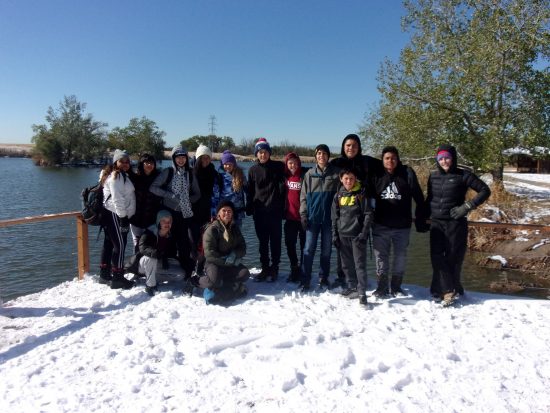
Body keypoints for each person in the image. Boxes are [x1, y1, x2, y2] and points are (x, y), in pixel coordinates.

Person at [426, 144, 491, 305]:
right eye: (440, 158)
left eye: (447, 157)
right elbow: (429, 199)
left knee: (452, 257)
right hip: (436, 223)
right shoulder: (433, 177)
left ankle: (447, 291)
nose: (444, 161)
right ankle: (449, 288)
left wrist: (467, 206)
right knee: (436, 257)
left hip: (455, 223)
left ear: (453, 158)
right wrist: (421, 216)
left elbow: (484, 190)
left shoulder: (463, 175)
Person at [371, 146, 428, 297]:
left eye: (393, 158)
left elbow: (418, 197)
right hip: (380, 224)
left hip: (402, 226)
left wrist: (421, 217)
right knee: (381, 258)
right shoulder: (376, 175)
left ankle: (396, 287)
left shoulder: (407, 173)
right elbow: (367, 197)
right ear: (382, 160)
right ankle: (382, 287)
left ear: (398, 159)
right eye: (387, 158)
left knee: (400, 257)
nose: (390, 161)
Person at [329, 133, 383, 288]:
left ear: (359, 147)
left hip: (361, 209)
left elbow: (386, 167)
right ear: (343, 147)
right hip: (344, 209)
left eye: (354, 145)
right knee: (342, 247)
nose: (350, 148)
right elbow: (323, 170)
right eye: (347, 145)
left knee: (358, 248)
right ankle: (343, 277)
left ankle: (360, 281)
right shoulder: (337, 162)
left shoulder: (367, 161)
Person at [150, 145, 201, 278]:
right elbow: (153, 187)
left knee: (184, 241)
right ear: (173, 158)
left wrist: (188, 200)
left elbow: (197, 194)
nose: (181, 160)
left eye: (183, 157)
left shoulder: (190, 174)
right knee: (168, 239)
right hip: (169, 211)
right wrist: (170, 195)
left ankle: (186, 268)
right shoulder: (168, 172)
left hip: (184, 213)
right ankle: (165, 264)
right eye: (178, 157)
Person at [185, 200, 250, 304]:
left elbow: (242, 247)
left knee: (245, 274)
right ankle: (195, 281)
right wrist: (225, 261)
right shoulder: (212, 229)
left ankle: (223, 282)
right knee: (213, 280)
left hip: (229, 261)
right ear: (218, 213)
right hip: (213, 262)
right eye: (224, 210)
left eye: (229, 211)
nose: (227, 213)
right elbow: (209, 254)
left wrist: (234, 255)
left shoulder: (235, 228)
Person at [299, 144, 340, 291]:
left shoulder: (336, 174)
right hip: (312, 219)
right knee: (308, 250)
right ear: (315, 156)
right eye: (318, 154)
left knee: (326, 250)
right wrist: (303, 214)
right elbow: (303, 197)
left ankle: (323, 277)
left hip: (329, 220)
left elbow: (341, 195)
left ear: (328, 156)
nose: (321, 156)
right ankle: (305, 279)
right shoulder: (309, 175)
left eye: (324, 153)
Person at [331, 168, 373, 306]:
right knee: (346, 265)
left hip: (357, 236)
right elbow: (335, 217)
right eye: (346, 179)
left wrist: (364, 233)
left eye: (351, 179)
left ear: (355, 179)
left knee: (359, 265)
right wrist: (334, 235)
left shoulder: (361, 194)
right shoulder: (338, 195)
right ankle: (352, 287)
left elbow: (368, 214)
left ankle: (362, 293)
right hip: (343, 235)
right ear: (341, 179)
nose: (348, 181)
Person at [246, 138, 286, 282]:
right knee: (263, 243)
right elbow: (250, 191)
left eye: (265, 152)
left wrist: (283, 207)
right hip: (260, 212)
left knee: (275, 242)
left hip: (275, 212)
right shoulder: (252, 170)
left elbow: (292, 174)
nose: (263, 155)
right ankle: (264, 267)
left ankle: (274, 268)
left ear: (269, 153)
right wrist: (249, 206)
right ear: (256, 154)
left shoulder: (278, 167)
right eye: (260, 152)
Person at [99, 149, 136, 289]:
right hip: (115, 213)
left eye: (127, 161)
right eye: (122, 161)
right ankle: (118, 277)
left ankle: (104, 273)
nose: (125, 164)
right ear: (116, 162)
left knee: (109, 243)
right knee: (119, 245)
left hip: (111, 213)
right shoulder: (116, 176)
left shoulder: (120, 175)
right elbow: (117, 199)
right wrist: (123, 218)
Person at [125, 210, 185, 296]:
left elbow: (172, 253)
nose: (167, 224)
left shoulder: (171, 235)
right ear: (158, 222)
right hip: (142, 264)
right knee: (151, 258)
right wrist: (157, 253)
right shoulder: (149, 232)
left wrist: (166, 258)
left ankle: (152, 277)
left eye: (169, 221)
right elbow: (142, 248)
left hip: (157, 263)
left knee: (181, 274)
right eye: (164, 221)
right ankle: (150, 286)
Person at [284, 152, 309, 282]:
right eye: (290, 163)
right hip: (290, 218)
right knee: (289, 244)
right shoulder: (285, 177)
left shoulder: (305, 175)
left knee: (304, 245)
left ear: (299, 163)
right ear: (286, 164)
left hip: (304, 218)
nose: (292, 165)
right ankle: (294, 267)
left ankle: (304, 270)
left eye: (295, 162)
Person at [129, 153, 161, 253]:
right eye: (146, 163)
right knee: (137, 244)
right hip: (135, 218)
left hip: (151, 219)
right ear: (141, 164)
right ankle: (136, 266)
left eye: (151, 163)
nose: (149, 165)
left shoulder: (159, 178)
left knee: (149, 244)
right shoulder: (135, 178)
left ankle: (147, 267)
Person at [211, 150, 247, 228]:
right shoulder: (219, 177)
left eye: (230, 164)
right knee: (224, 236)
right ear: (222, 164)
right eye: (225, 164)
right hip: (224, 213)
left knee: (236, 236)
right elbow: (215, 197)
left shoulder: (240, 176)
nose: (228, 166)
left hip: (238, 213)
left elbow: (248, 191)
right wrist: (213, 213)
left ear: (234, 164)